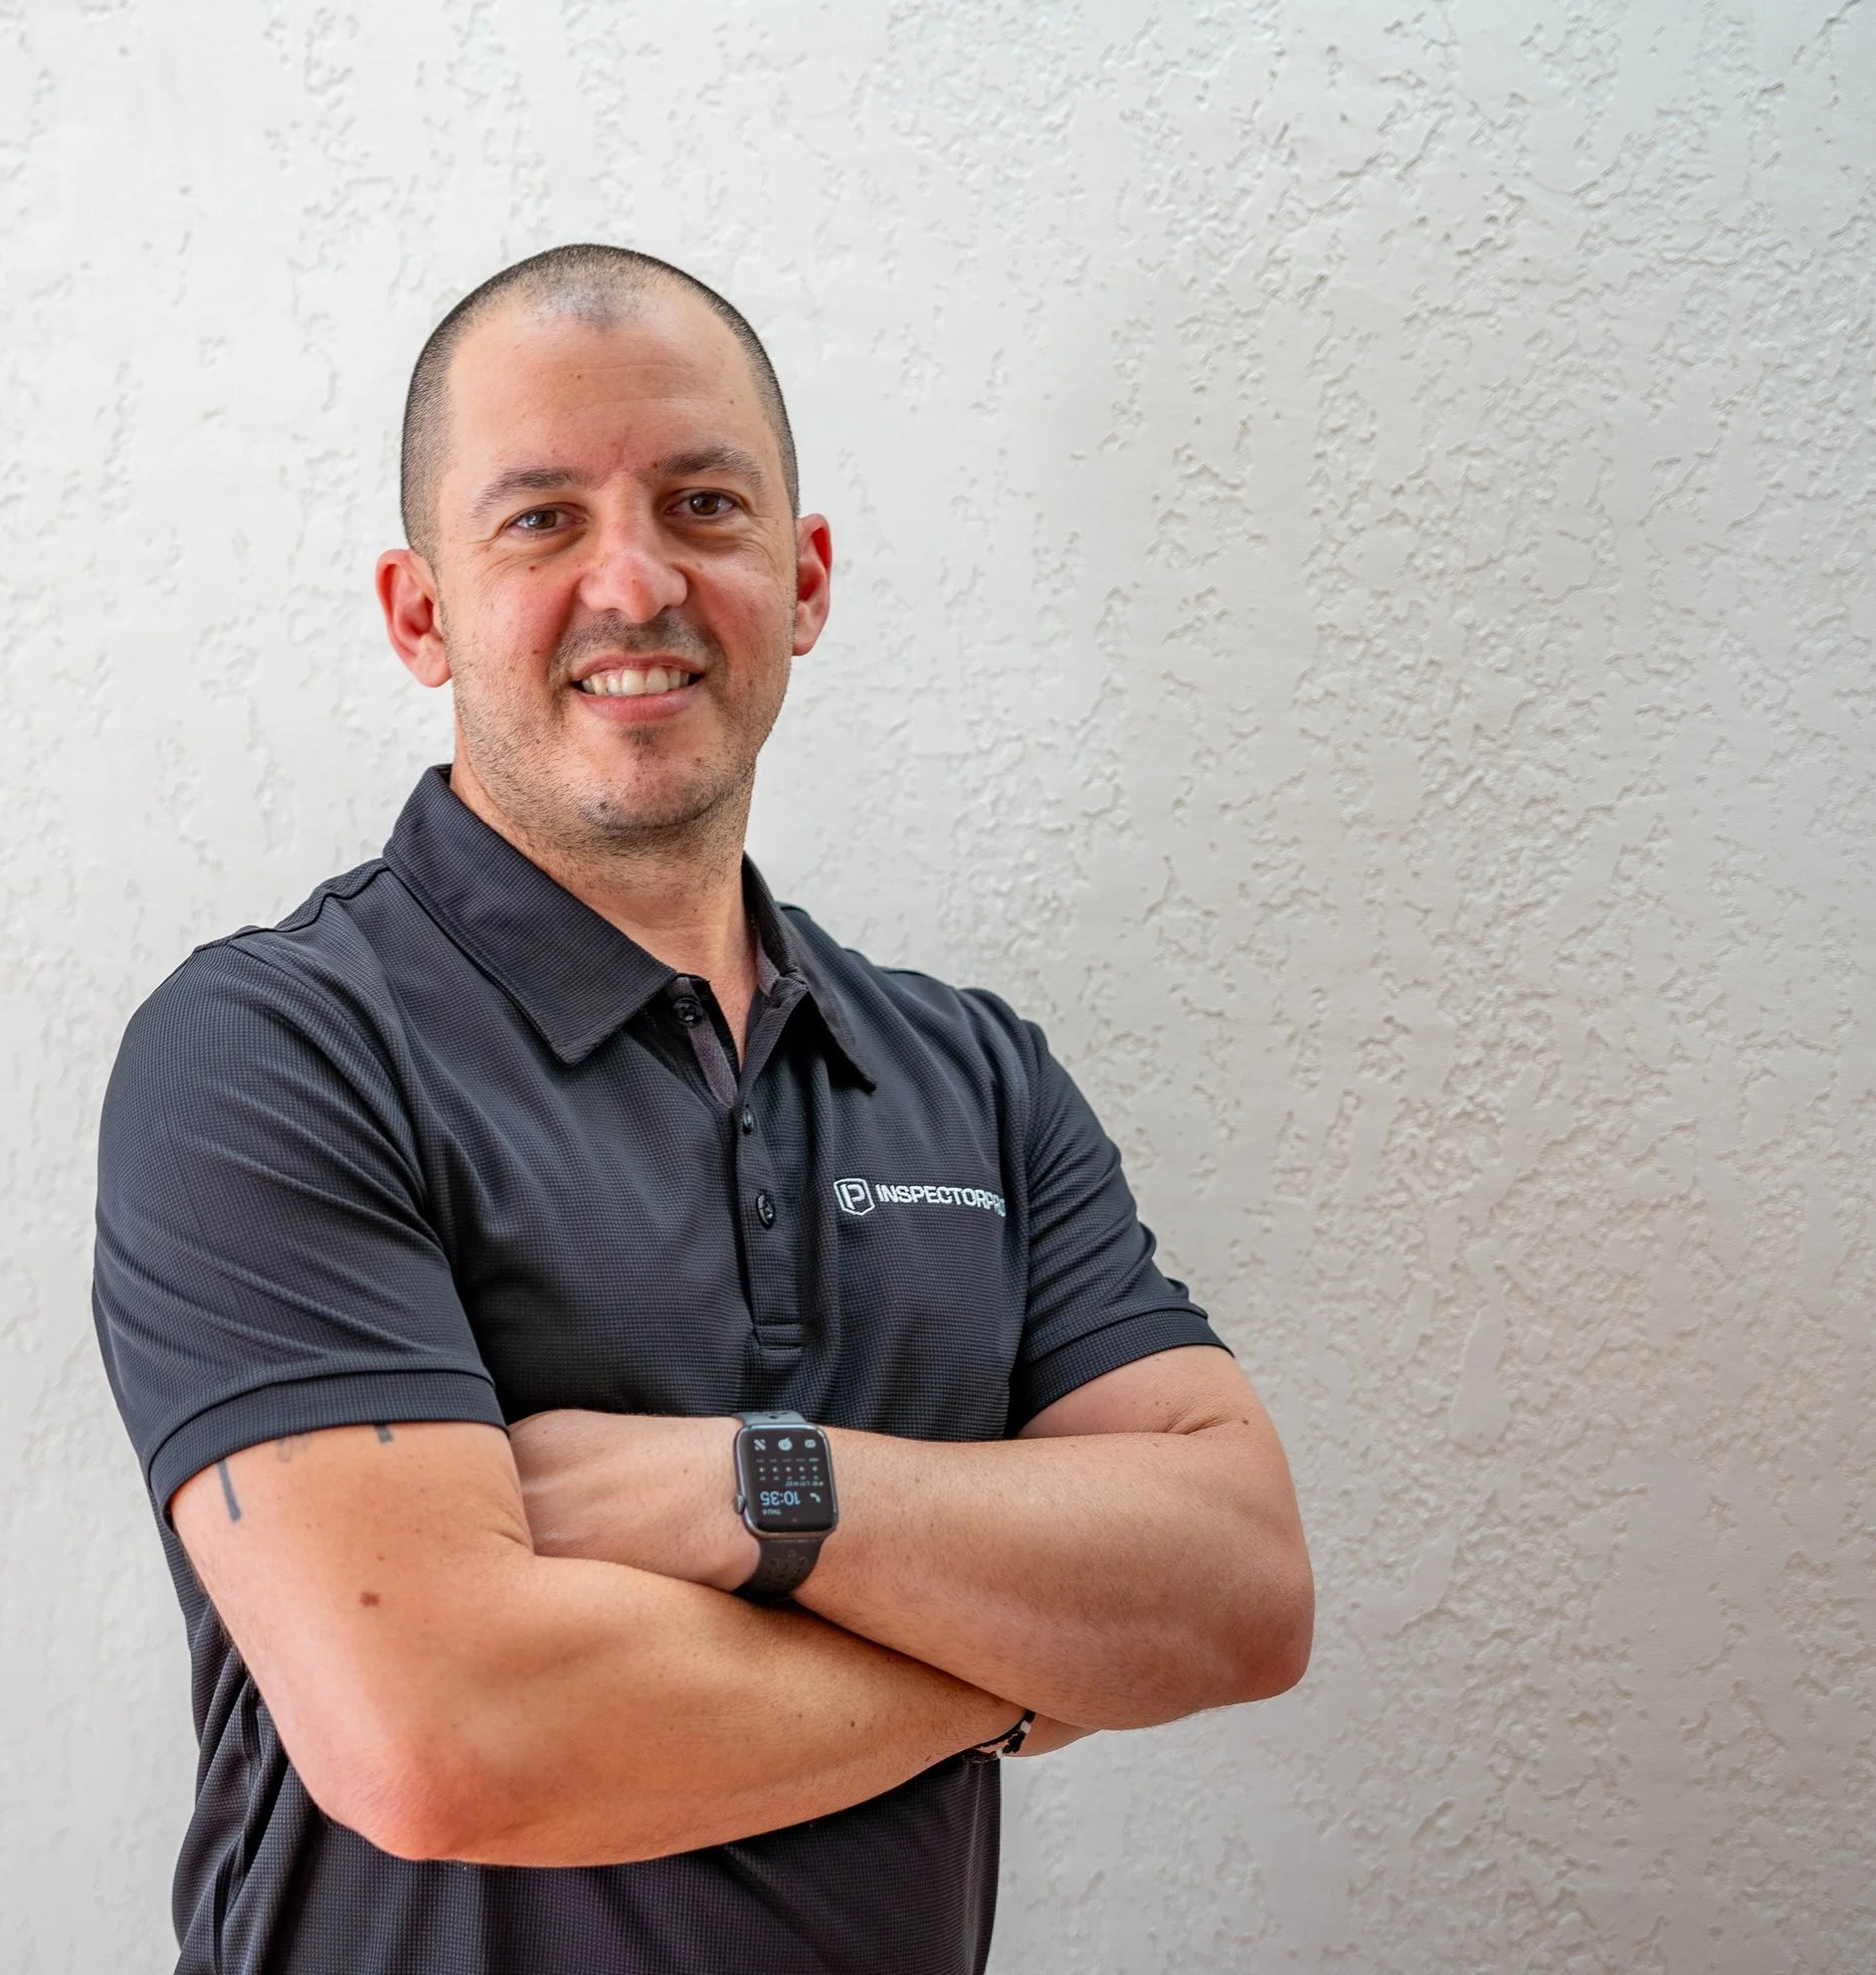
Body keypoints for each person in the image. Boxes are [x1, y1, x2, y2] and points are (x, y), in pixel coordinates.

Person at [93, 243, 1313, 1975]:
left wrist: (756, 1491)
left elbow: (1241, 1587)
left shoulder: (968, 1075)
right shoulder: (276, 1053)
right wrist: (1019, 1662)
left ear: (802, 578)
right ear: (418, 611)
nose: (634, 580)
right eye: (539, 521)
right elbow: (446, 1742)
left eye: (703, 503)